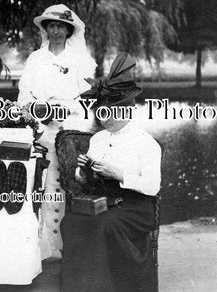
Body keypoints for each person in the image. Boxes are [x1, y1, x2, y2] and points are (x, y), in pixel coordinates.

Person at [60, 53, 161, 291]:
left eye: (112, 113)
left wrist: (120, 174)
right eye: (102, 113)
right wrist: (83, 171)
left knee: (103, 225)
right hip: (102, 200)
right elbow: (82, 180)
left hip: (135, 205)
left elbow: (153, 185)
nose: (106, 120)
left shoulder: (146, 142)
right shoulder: (98, 139)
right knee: (71, 221)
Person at [18, 4, 96, 260]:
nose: (56, 31)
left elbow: (86, 99)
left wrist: (59, 108)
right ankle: (42, 249)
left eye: (61, 26)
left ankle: (69, 249)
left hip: (69, 131)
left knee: (67, 184)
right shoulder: (35, 59)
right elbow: (24, 95)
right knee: (41, 184)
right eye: (51, 25)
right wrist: (35, 109)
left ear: (69, 30)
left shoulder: (80, 61)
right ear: (45, 29)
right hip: (40, 131)